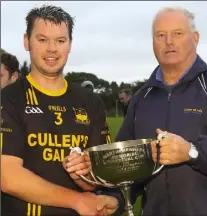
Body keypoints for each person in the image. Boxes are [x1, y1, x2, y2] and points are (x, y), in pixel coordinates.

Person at [1, 5, 120, 216]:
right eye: (42, 39)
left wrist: (82, 175)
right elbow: (8, 177)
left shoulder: (90, 102)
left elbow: (98, 179)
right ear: (26, 41)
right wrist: (77, 200)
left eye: (60, 41)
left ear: (70, 44)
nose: (52, 49)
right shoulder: (9, 98)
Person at [115, 7, 207, 216]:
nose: (168, 41)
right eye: (160, 35)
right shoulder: (141, 98)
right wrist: (113, 199)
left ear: (195, 38)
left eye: (177, 34)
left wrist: (192, 151)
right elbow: (126, 165)